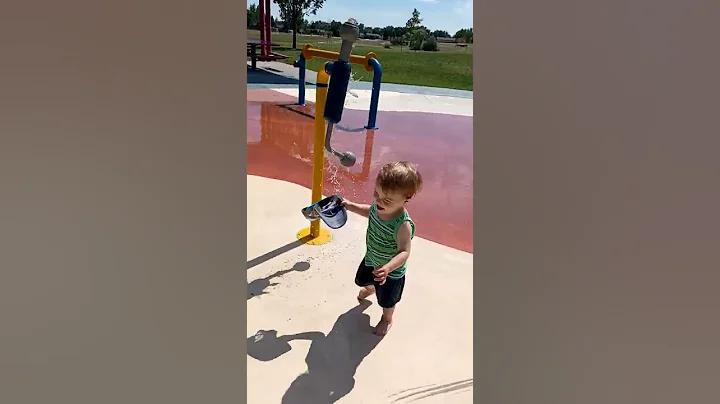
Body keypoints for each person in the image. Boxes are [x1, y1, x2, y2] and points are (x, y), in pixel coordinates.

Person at [341, 161, 423, 336]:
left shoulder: (402, 226)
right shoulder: (379, 207)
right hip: (372, 258)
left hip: (391, 272)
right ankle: (371, 288)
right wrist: (349, 205)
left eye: (386, 199)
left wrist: (388, 268)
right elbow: (368, 211)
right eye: (376, 194)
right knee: (362, 279)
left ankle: (387, 319)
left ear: (406, 199)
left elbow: (404, 252)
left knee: (387, 299)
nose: (378, 201)